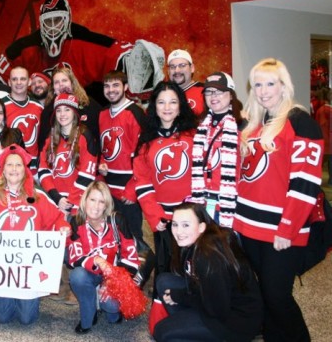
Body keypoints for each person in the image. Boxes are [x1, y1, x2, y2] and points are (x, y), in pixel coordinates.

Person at [233, 58, 323, 342]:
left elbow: (305, 184)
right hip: (249, 225)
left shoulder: (301, 123)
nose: (263, 90)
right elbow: (243, 178)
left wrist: (288, 227)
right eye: (257, 84)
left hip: (281, 230)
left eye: (270, 83)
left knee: (277, 295)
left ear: (284, 86)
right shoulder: (252, 124)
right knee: (265, 293)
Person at [0, 144, 71, 325]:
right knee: (2, 318)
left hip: (28, 268)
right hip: (1, 267)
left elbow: (57, 218)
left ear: (25, 170)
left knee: (27, 319)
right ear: (3, 171)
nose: (14, 169)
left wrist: (63, 227)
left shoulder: (38, 197)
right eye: (9, 165)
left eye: (18, 165)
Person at [0, 0, 164, 97]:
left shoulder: (83, 40)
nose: (53, 27)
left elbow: (116, 53)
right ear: (41, 23)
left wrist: (136, 64)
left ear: (67, 20)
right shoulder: (25, 48)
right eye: (48, 22)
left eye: (58, 20)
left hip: (83, 109)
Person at [153, 202, 263, 342]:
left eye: (186, 225)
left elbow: (217, 308)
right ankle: (192, 327)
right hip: (215, 302)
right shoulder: (195, 243)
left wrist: (180, 296)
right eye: (175, 224)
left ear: (201, 227)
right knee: (164, 281)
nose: (179, 231)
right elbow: (196, 283)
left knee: (162, 332)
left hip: (235, 320)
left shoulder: (209, 256)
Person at [132, 81, 197, 276]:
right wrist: (154, 214)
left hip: (191, 218)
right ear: (154, 107)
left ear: (180, 107)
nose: (167, 108)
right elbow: (142, 183)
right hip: (163, 219)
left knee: (194, 269)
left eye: (173, 102)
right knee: (166, 268)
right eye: (161, 102)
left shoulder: (195, 136)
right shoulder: (145, 142)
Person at [98, 71, 154, 278]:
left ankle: (139, 280)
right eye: (107, 86)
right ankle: (119, 281)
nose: (111, 90)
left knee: (134, 237)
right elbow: (104, 148)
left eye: (115, 85)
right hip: (109, 188)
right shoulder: (103, 114)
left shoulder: (135, 113)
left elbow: (143, 153)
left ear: (125, 86)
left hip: (129, 187)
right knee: (114, 236)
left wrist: (133, 189)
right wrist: (101, 165)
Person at [68, 181, 141, 334]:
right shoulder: (76, 222)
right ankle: (88, 316)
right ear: (85, 200)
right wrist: (97, 260)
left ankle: (113, 313)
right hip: (91, 273)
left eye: (101, 202)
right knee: (77, 276)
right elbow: (75, 258)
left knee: (111, 306)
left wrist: (112, 281)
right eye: (92, 200)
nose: (96, 206)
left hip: (114, 274)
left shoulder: (117, 221)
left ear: (107, 205)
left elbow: (132, 258)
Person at [191, 72, 243, 228]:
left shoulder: (242, 125)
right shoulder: (201, 126)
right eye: (208, 91)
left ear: (231, 94)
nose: (213, 96)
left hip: (230, 202)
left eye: (219, 91)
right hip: (203, 200)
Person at [38, 93, 98, 215]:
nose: (62, 114)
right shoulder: (50, 138)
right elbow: (43, 171)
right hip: (55, 202)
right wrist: (57, 198)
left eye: (67, 110)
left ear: (74, 113)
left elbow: (87, 175)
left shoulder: (85, 136)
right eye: (59, 110)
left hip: (79, 203)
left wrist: (69, 202)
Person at [38, 66, 101, 151]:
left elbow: (99, 135)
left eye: (64, 80)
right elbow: (43, 143)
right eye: (56, 82)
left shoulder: (88, 104)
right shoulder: (48, 111)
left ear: (72, 83)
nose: (61, 84)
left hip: (87, 156)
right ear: (53, 88)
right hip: (59, 159)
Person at [3, 66, 43, 172]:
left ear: (29, 81)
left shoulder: (39, 106)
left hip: (34, 167)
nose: (19, 82)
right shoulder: (0, 106)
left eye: (23, 79)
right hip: (10, 167)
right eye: (14, 79)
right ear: (9, 82)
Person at [167, 49, 204, 117]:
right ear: (168, 71)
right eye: (172, 67)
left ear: (192, 68)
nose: (177, 70)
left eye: (182, 65)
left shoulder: (205, 91)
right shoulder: (161, 94)